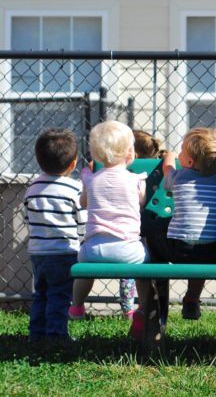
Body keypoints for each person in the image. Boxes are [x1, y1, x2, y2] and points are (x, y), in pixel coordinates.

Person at [68, 121, 149, 341]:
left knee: (85, 271)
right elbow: (141, 203)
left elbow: (84, 202)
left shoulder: (91, 179)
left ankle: (76, 307)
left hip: (92, 249)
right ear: (130, 152)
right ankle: (141, 308)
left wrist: (89, 185)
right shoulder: (136, 180)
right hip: (127, 250)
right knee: (145, 266)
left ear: (95, 153)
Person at [145, 127, 216, 324]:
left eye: (182, 150)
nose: (179, 152)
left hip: (179, 250)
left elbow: (168, 169)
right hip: (212, 252)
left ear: (190, 162)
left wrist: (170, 156)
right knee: (199, 251)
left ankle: (159, 295)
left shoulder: (180, 177)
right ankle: (192, 297)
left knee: (153, 232)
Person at [25, 129, 86, 343]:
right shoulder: (73, 188)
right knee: (60, 295)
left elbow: (28, 217)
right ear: (73, 164)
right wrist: (83, 238)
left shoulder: (32, 188)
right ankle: (56, 335)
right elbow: (82, 220)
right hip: (64, 251)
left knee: (40, 293)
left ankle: (36, 333)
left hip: (38, 252)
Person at [114, 130, 163, 320]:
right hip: (153, 230)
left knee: (129, 268)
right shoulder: (155, 172)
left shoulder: (125, 174)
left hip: (127, 230)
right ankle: (146, 305)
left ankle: (128, 309)